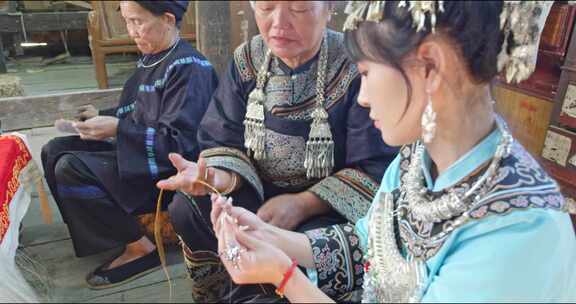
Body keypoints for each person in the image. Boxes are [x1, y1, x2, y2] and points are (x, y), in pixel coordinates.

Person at [209, 1, 576, 302]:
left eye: (366, 73)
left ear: (429, 67)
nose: (363, 97)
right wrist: (268, 237)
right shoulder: (414, 162)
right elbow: (370, 243)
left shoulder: (517, 233)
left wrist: (284, 275)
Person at [156, 1, 397, 301]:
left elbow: (374, 165)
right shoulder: (247, 59)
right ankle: (220, 294)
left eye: (298, 9)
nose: (278, 23)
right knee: (188, 207)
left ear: (329, 8)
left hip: (327, 206)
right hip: (254, 191)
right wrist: (217, 178)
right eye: (266, 7)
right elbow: (223, 136)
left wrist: (301, 204)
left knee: (302, 241)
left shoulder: (355, 64)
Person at [40, 0, 218, 289]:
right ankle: (106, 229)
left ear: (168, 19)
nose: (131, 31)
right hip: (143, 155)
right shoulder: (153, 58)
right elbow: (139, 112)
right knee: (55, 149)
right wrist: (103, 118)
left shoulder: (191, 69)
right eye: (127, 22)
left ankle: (141, 248)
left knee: (70, 168)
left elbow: (180, 145)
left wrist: (119, 129)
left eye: (138, 21)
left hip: (166, 176)